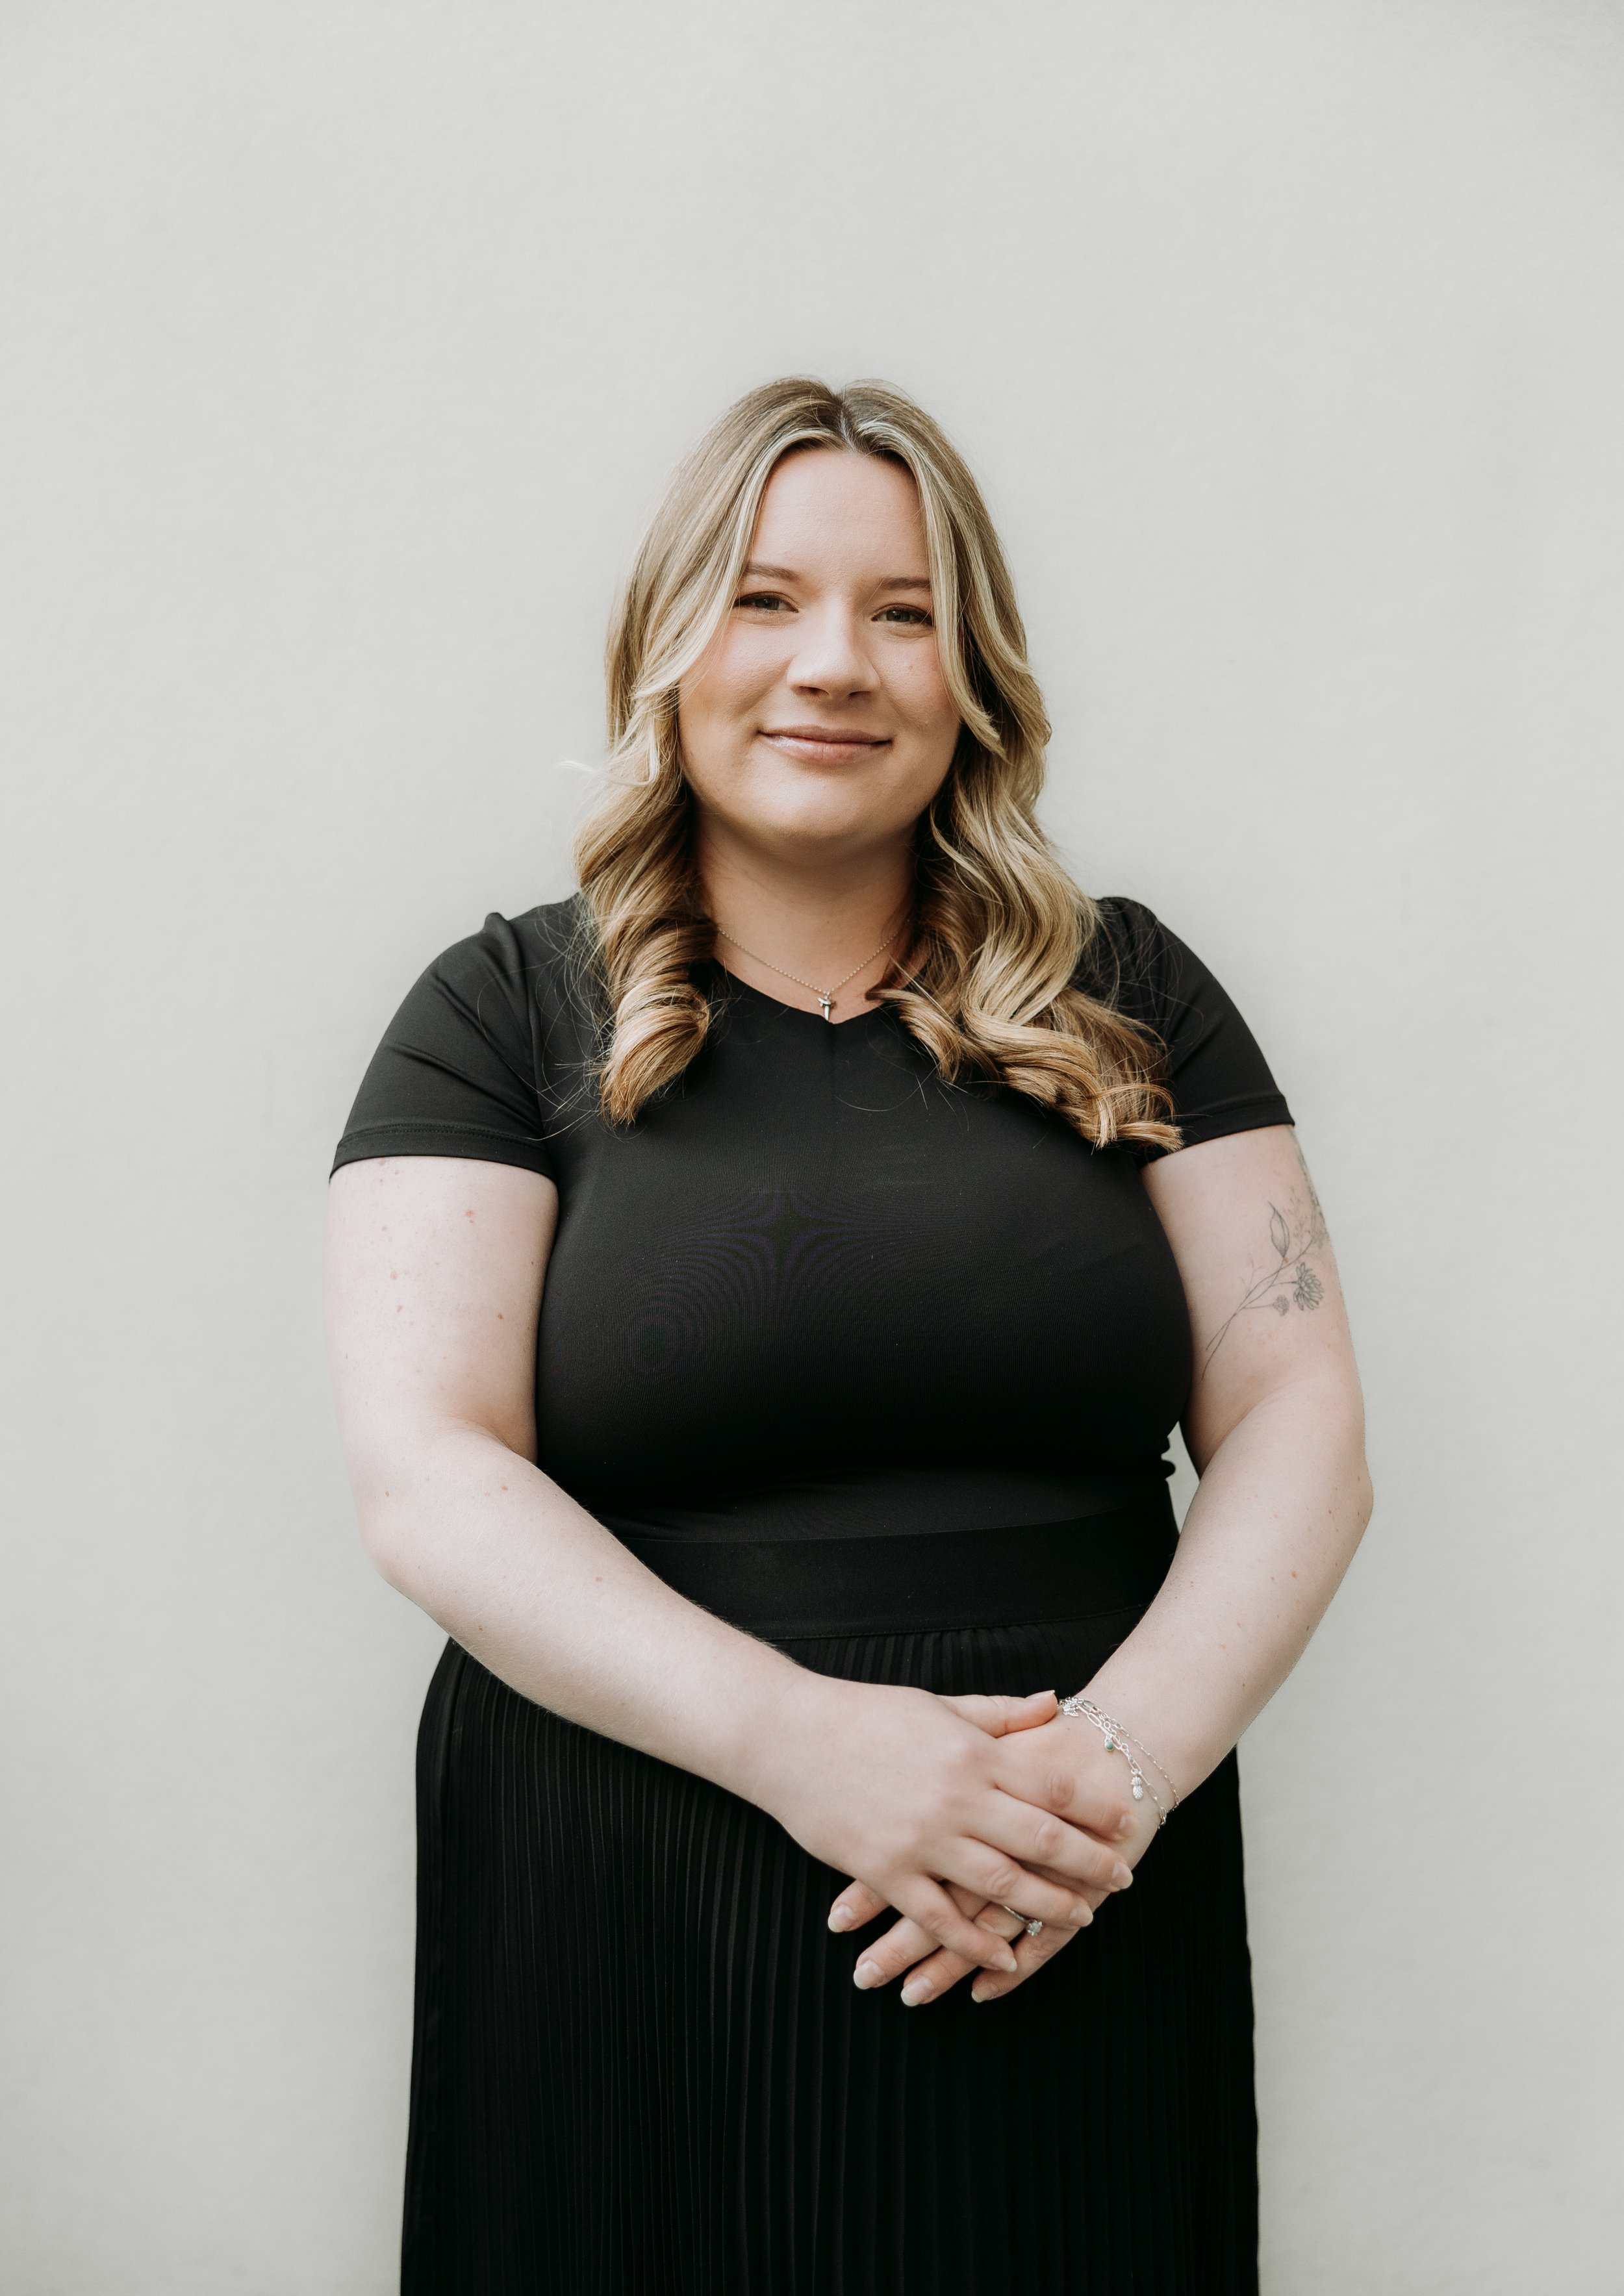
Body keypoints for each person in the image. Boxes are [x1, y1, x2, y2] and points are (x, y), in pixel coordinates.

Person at [325, 376, 1371, 2296]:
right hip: (627, 1891)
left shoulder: (1132, 994)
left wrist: (1106, 1789)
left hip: (1071, 1882)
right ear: (667, 641)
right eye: (763, 598)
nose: (834, 664)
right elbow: (432, 1480)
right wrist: (809, 1750)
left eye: (904, 612)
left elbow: (1297, 1410)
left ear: (974, 672)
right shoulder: (491, 1014)